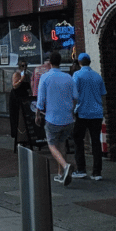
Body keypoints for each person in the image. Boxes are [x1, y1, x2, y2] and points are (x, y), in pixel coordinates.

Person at [36, 51, 78, 185]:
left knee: (52, 144)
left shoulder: (45, 77)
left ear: (49, 63)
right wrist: (72, 110)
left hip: (52, 118)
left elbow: (40, 99)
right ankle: (61, 174)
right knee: (62, 144)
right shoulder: (68, 77)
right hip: (68, 118)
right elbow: (76, 97)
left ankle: (65, 166)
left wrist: (37, 114)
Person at [72, 52, 106, 180]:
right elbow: (103, 93)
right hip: (96, 113)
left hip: (82, 112)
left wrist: (72, 109)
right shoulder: (97, 76)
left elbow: (74, 95)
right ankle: (97, 172)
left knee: (78, 139)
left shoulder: (77, 75)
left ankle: (81, 169)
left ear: (80, 63)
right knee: (96, 141)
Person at [10, 60, 36, 151]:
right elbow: (14, 86)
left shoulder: (27, 76)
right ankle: (19, 138)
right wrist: (21, 79)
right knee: (18, 118)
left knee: (26, 118)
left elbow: (29, 88)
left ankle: (26, 138)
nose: (24, 68)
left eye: (25, 66)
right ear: (19, 66)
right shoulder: (16, 75)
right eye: (22, 66)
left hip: (25, 98)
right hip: (17, 98)